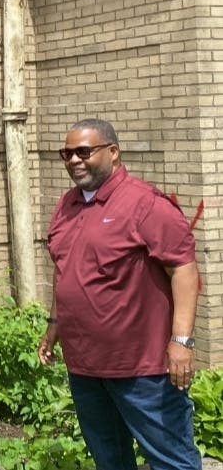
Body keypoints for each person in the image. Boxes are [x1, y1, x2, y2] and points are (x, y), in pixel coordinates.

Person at [38, 118, 201, 470]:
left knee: (172, 461)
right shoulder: (67, 205)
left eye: (84, 151)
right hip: (85, 366)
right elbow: (65, 269)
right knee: (109, 460)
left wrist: (182, 341)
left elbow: (184, 270)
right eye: (67, 153)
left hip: (143, 371)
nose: (74, 160)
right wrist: (54, 325)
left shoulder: (145, 204)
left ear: (113, 152)